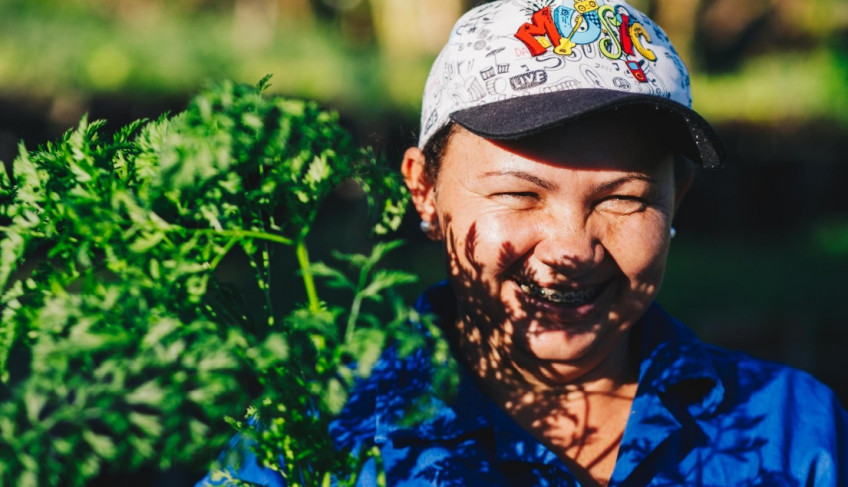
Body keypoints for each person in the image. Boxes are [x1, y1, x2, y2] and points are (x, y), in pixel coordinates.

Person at [198, 0, 847, 485]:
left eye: (623, 198)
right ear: (424, 189)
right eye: (519, 193)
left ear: (675, 201)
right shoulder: (320, 432)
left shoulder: (794, 430)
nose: (571, 248)